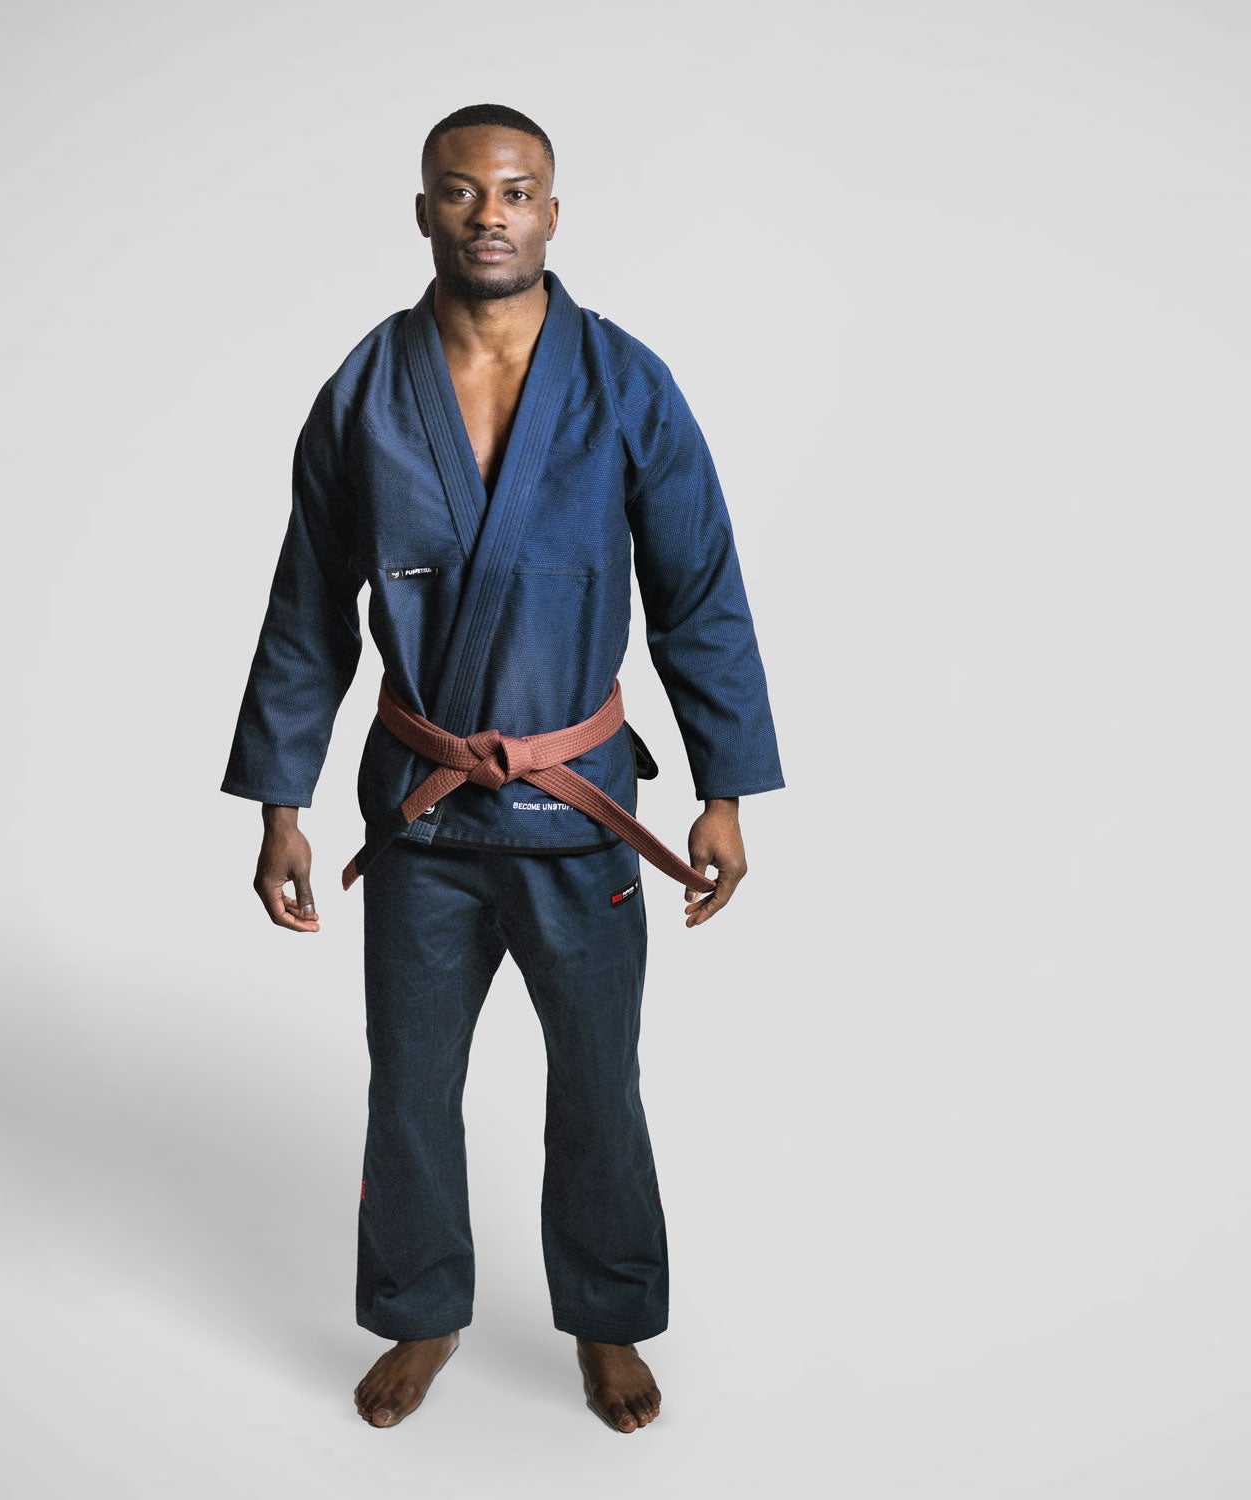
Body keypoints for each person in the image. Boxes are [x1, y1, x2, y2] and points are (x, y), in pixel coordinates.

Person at [220, 103, 784, 1433]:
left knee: (598, 1086)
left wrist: (724, 790)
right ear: (423, 210)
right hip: (422, 819)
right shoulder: (367, 389)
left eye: (517, 191)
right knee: (410, 1088)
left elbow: (698, 593)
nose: (491, 213)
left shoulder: (625, 382)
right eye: (463, 190)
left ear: (552, 212)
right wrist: (281, 805)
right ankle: (422, 1312)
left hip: (580, 814)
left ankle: (608, 1319)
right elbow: (307, 608)